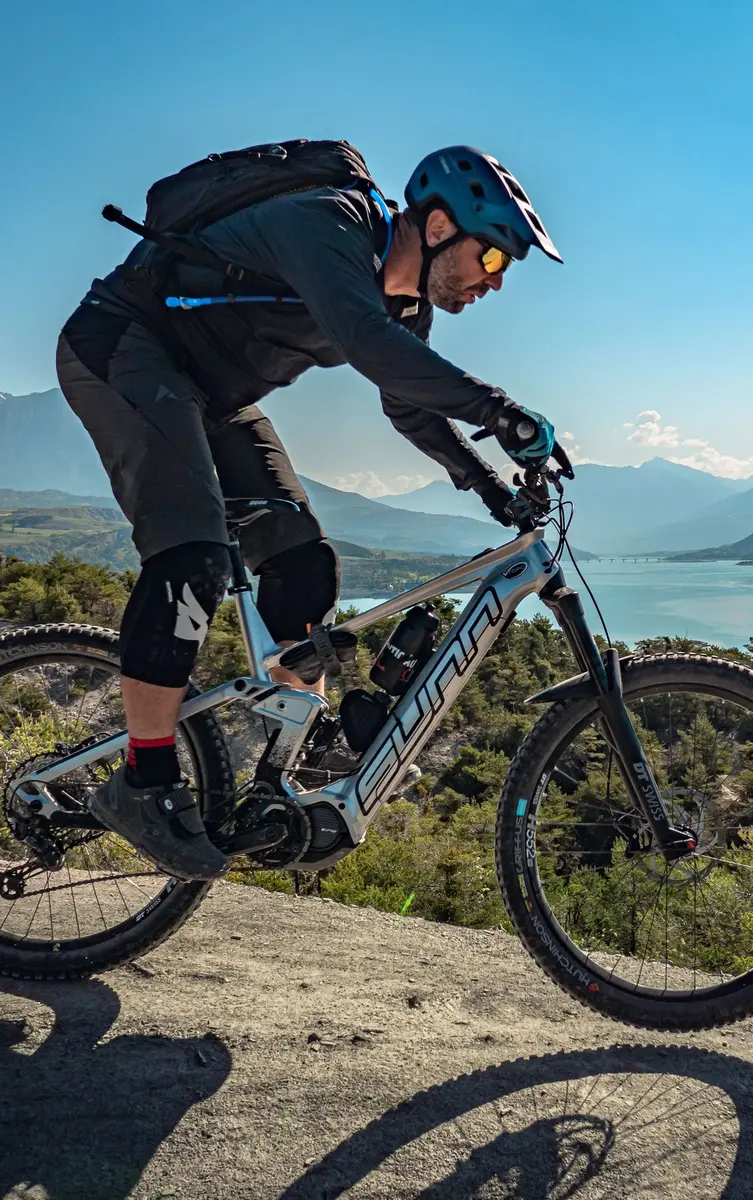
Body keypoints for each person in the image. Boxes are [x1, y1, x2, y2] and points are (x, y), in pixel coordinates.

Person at [55, 145, 561, 882]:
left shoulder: (406, 305)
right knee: (193, 558)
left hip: (212, 397)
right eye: (491, 257)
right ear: (440, 226)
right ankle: (145, 777)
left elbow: (408, 405)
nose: (496, 280)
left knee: (303, 563)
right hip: (122, 346)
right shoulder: (329, 223)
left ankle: (287, 766)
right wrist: (500, 410)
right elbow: (368, 345)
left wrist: (487, 486)